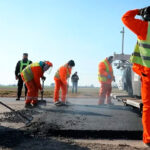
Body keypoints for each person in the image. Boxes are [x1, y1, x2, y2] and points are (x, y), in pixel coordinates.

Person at [122, 6, 150, 146]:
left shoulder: (144, 28)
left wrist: (138, 11)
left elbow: (125, 18)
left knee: (148, 108)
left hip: (148, 76)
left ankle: (149, 139)